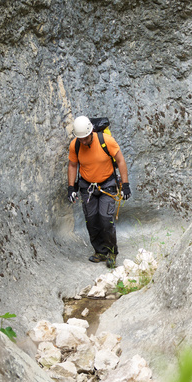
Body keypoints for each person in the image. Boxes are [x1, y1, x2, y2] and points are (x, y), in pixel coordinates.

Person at [67, 115, 131, 268]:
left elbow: (120, 160)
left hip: (107, 185)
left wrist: (126, 184)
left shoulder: (106, 141)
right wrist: (71, 187)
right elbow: (72, 165)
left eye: (86, 138)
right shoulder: (75, 145)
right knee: (91, 220)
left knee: (105, 219)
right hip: (87, 187)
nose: (83, 141)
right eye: (80, 139)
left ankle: (112, 252)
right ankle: (100, 251)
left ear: (91, 133)